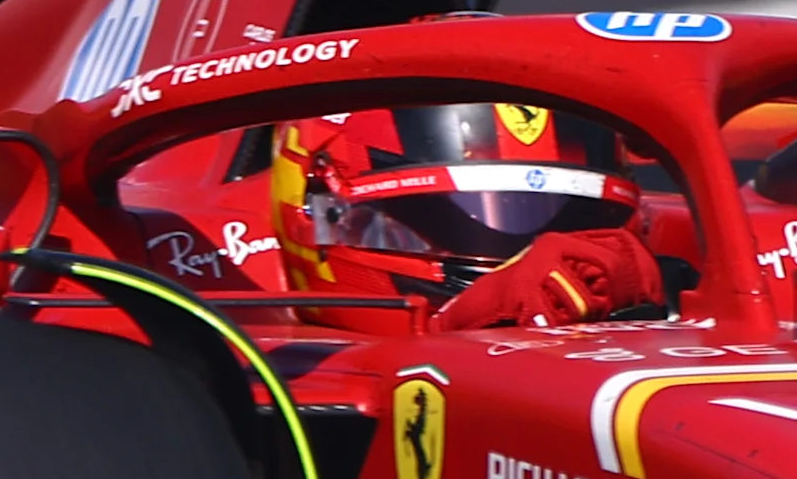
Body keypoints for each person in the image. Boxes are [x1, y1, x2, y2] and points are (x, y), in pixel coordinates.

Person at [267, 101, 667, 331]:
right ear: (320, 214)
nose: (543, 266)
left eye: (573, 216)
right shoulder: (243, 338)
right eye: (450, 223)